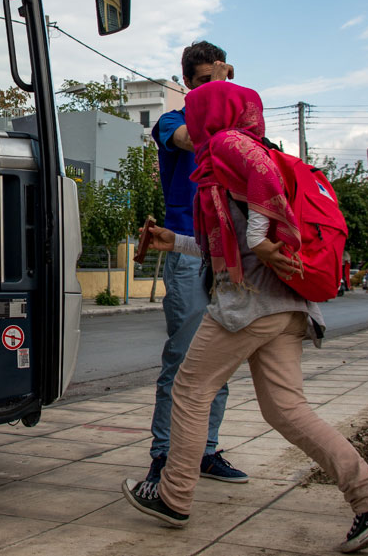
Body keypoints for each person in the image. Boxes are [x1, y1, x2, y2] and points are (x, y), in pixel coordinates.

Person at [122, 77, 368, 555]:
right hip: (288, 303)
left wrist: (257, 240)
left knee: (191, 389)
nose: (192, 120)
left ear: (215, 112)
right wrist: (174, 240)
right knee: (286, 409)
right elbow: (225, 242)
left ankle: (172, 497)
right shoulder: (246, 155)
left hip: (250, 303)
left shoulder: (231, 146)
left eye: (195, 111)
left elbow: (260, 207)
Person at [145, 41, 247, 485]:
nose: (211, 89)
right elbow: (199, 139)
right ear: (188, 82)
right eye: (204, 81)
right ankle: (164, 454)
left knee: (219, 361)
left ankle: (205, 451)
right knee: (182, 359)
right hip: (187, 253)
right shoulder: (172, 121)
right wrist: (222, 90)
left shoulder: (237, 125)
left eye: (216, 79)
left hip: (228, 254)